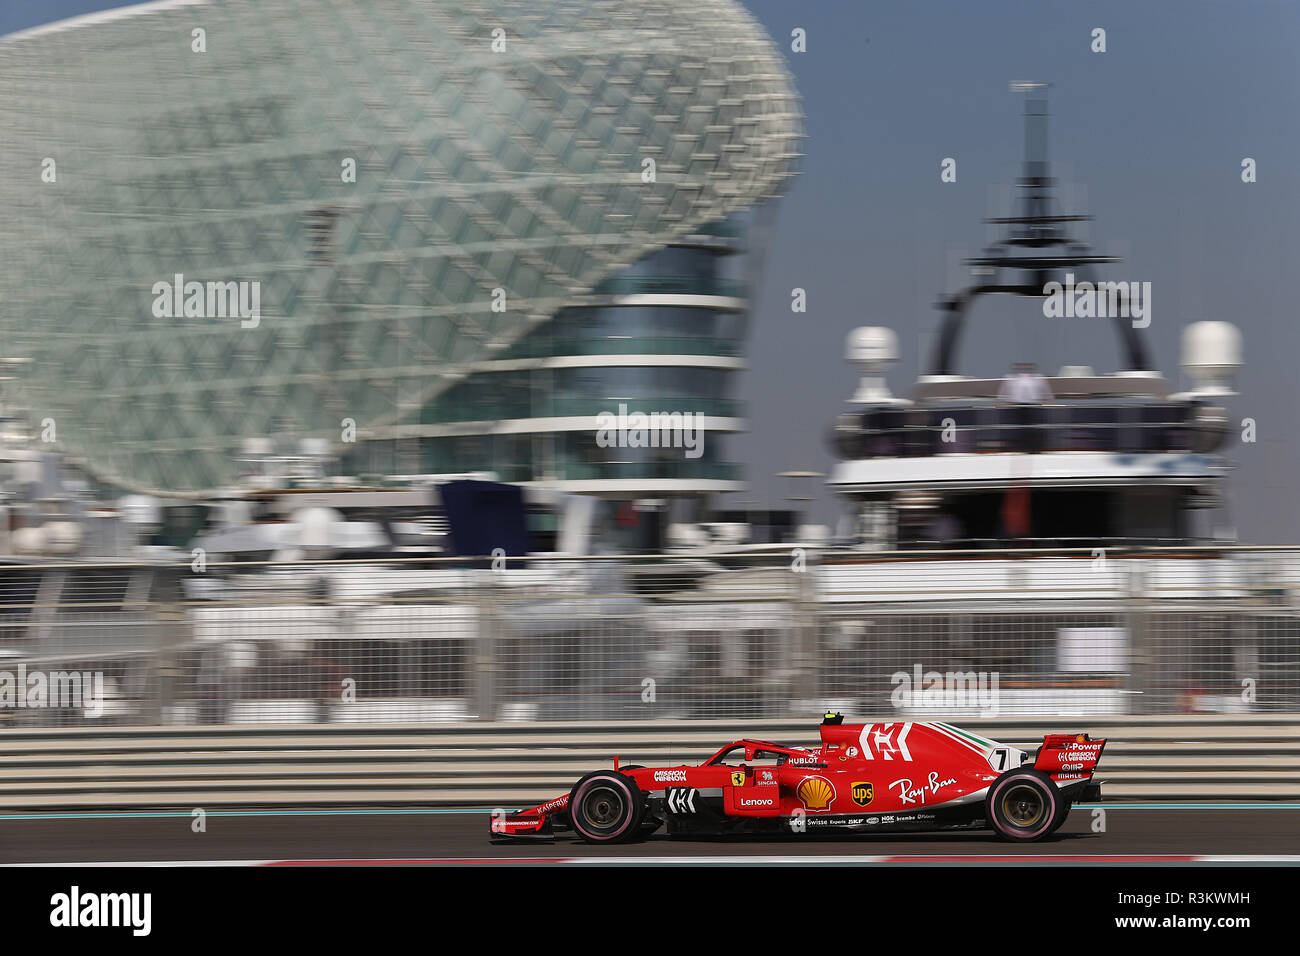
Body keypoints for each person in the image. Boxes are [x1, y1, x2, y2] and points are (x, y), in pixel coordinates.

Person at [998, 362, 1052, 452]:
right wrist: (1006, 403)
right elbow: (1004, 394)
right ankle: (1021, 448)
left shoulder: (1039, 378)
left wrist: (1044, 402)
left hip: (1033, 406)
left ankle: (1035, 448)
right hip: (1017, 406)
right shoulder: (1010, 378)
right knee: (1020, 429)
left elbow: (1046, 394)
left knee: (1033, 429)